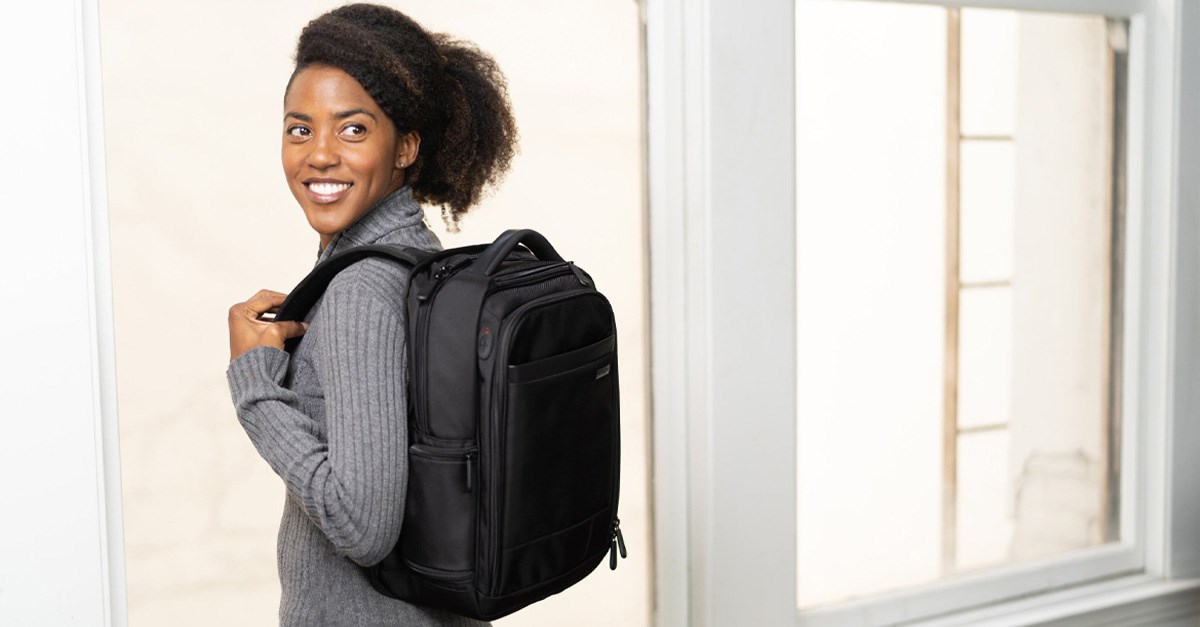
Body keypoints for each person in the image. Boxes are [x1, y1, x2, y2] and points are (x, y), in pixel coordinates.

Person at [225, 4, 516, 625]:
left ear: (406, 145)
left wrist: (254, 383)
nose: (319, 155)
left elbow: (363, 527)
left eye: (353, 129)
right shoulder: (422, 260)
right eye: (299, 129)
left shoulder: (362, 291)